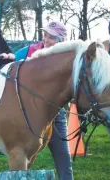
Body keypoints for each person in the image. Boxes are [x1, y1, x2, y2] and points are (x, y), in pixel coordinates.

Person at [14, 21, 73, 180]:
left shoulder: (65, 60)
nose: (46, 40)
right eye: (45, 35)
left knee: (62, 155)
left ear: (61, 41)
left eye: (51, 38)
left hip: (55, 113)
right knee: (24, 153)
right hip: (30, 112)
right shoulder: (31, 51)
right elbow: (12, 60)